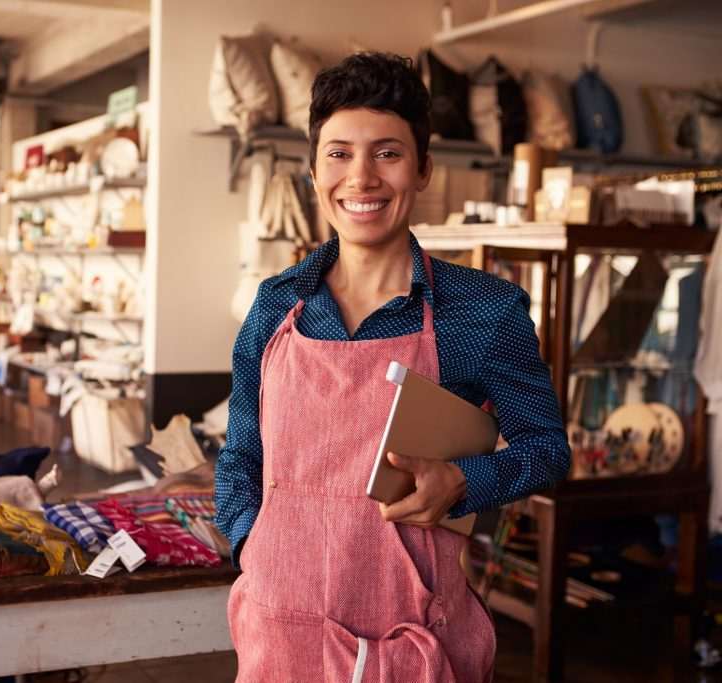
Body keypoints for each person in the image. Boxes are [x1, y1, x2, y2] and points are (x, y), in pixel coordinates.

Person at [214, 52, 570, 682]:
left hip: (410, 642)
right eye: (339, 153)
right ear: (315, 168)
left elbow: (547, 450)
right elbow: (241, 455)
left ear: (423, 169)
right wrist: (254, 548)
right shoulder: (276, 305)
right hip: (280, 633)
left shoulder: (484, 312)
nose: (361, 178)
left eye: (387, 153)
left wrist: (463, 482)